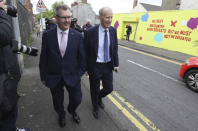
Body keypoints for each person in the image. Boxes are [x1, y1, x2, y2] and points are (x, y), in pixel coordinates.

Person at [39, 4, 86, 127]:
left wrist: (79, 74)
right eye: (64, 17)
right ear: (56, 18)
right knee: (57, 101)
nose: (67, 20)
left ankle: (72, 110)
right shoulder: (47, 35)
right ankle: (61, 114)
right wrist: (43, 76)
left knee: (77, 99)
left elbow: (82, 59)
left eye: (69, 17)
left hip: (73, 75)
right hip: (54, 76)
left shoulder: (77, 36)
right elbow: (44, 57)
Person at [0, 0, 31, 130]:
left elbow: (7, 41)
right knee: (7, 113)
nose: (4, 3)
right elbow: (4, 35)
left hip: (7, 77)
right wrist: (1, 11)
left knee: (10, 111)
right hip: (2, 82)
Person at [84, 7, 119, 119]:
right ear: (100, 17)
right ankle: (95, 106)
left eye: (111, 17)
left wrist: (116, 64)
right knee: (94, 88)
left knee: (109, 88)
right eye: (107, 17)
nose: (109, 20)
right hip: (95, 66)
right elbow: (85, 51)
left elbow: (115, 49)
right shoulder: (89, 32)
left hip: (108, 65)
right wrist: (85, 68)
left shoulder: (113, 31)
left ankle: (98, 98)